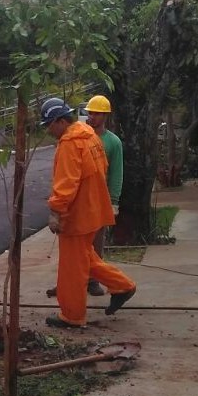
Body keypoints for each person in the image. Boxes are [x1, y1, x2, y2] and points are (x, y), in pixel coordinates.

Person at [39, 97, 136, 328]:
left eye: (48, 125)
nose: (48, 130)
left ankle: (72, 316)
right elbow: (100, 170)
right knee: (86, 257)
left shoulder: (71, 143)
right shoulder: (89, 136)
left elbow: (66, 183)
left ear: (60, 121)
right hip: (92, 210)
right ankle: (123, 286)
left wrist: (56, 212)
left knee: (73, 268)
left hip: (78, 216)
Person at [84, 94, 124, 295]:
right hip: (82, 200)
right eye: (90, 112)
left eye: (96, 113)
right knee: (76, 244)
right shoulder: (81, 137)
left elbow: (117, 173)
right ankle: (73, 279)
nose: (92, 116)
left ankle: (93, 280)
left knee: (97, 242)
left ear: (105, 116)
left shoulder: (112, 142)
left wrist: (114, 201)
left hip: (101, 200)